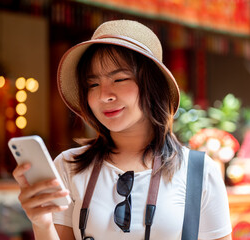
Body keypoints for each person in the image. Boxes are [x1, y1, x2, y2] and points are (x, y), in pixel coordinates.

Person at [13, 20, 232, 240]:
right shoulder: (68, 167)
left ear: (152, 86)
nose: (104, 95)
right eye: (93, 84)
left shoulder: (199, 172)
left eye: (119, 79)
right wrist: (41, 223)